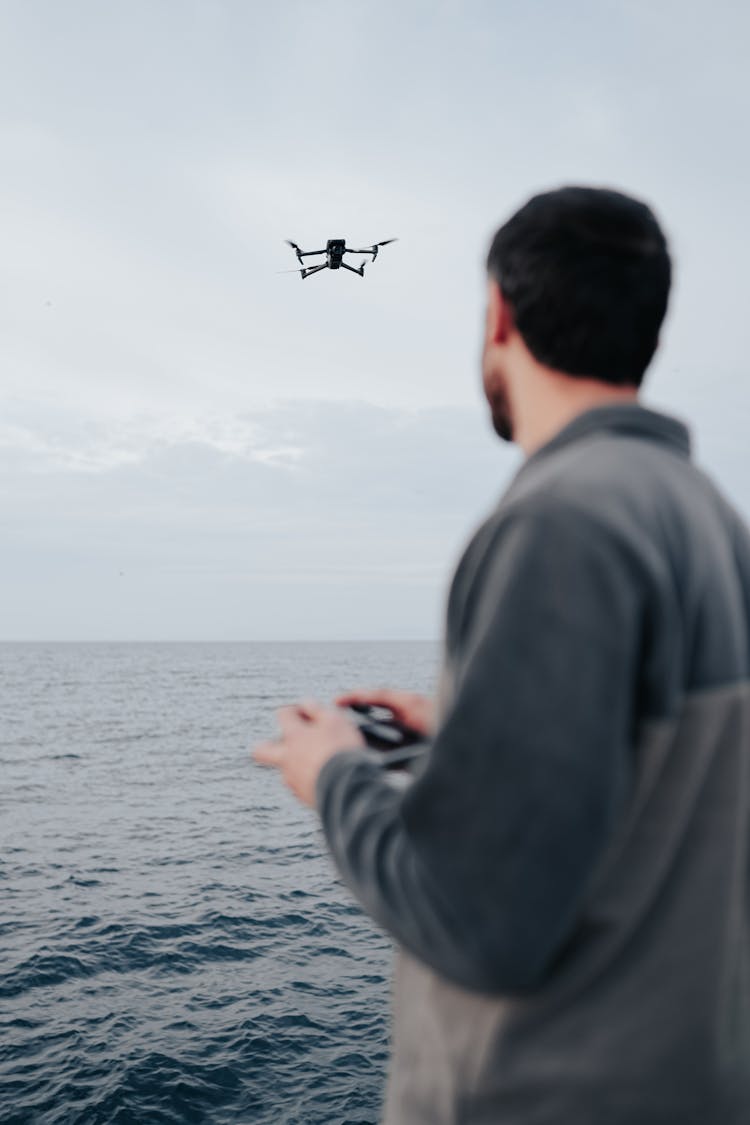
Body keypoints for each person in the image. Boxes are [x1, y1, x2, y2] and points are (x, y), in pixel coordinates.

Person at [253, 186, 750, 1124]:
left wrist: (334, 778)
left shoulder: (560, 520)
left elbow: (479, 922)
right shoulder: (711, 518)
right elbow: (674, 775)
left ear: (500, 317)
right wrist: (477, 725)